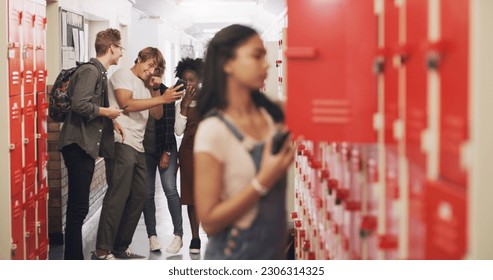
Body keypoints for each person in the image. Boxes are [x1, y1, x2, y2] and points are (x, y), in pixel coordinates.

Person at [194, 24, 295, 259]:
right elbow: (209, 222)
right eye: (256, 56)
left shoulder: (272, 115)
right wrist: (263, 181)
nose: (267, 63)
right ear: (227, 63)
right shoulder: (213, 130)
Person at [92, 47, 184, 260]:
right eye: (149, 65)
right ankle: (102, 250)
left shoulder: (146, 87)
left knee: (140, 195)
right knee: (118, 195)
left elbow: (158, 115)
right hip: (121, 142)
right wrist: (162, 98)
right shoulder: (124, 74)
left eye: (156, 68)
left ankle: (120, 247)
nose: (151, 71)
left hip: (138, 146)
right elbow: (127, 104)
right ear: (139, 59)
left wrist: (155, 92)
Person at [58, 28, 125, 260]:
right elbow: (80, 105)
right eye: (121, 48)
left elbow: (91, 107)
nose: (122, 53)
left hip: (83, 145)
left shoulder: (100, 72)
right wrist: (107, 112)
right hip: (77, 145)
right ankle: (73, 262)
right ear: (111, 48)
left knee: (79, 208)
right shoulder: (90, 71)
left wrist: (111, 122)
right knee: (78, 209)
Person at [142, 66, 183, 254]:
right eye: (150, 70)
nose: (153, 75)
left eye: (157, 72)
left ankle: (178, 234)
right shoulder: (139, 92)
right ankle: (152, 236)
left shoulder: (167, 93)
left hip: (165, 147)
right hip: (144, 150)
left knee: (170, 190)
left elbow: (168, 124)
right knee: (147, 193)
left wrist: (166, 151)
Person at [174, 57, 204, 254]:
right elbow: (178, 131)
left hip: (209, 153)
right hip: (188, 152)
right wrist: (184, 106)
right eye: (185, 81)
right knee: (192, 197)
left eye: (192, 80)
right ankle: (195, 237)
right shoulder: (180, 103)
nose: (188, 84)